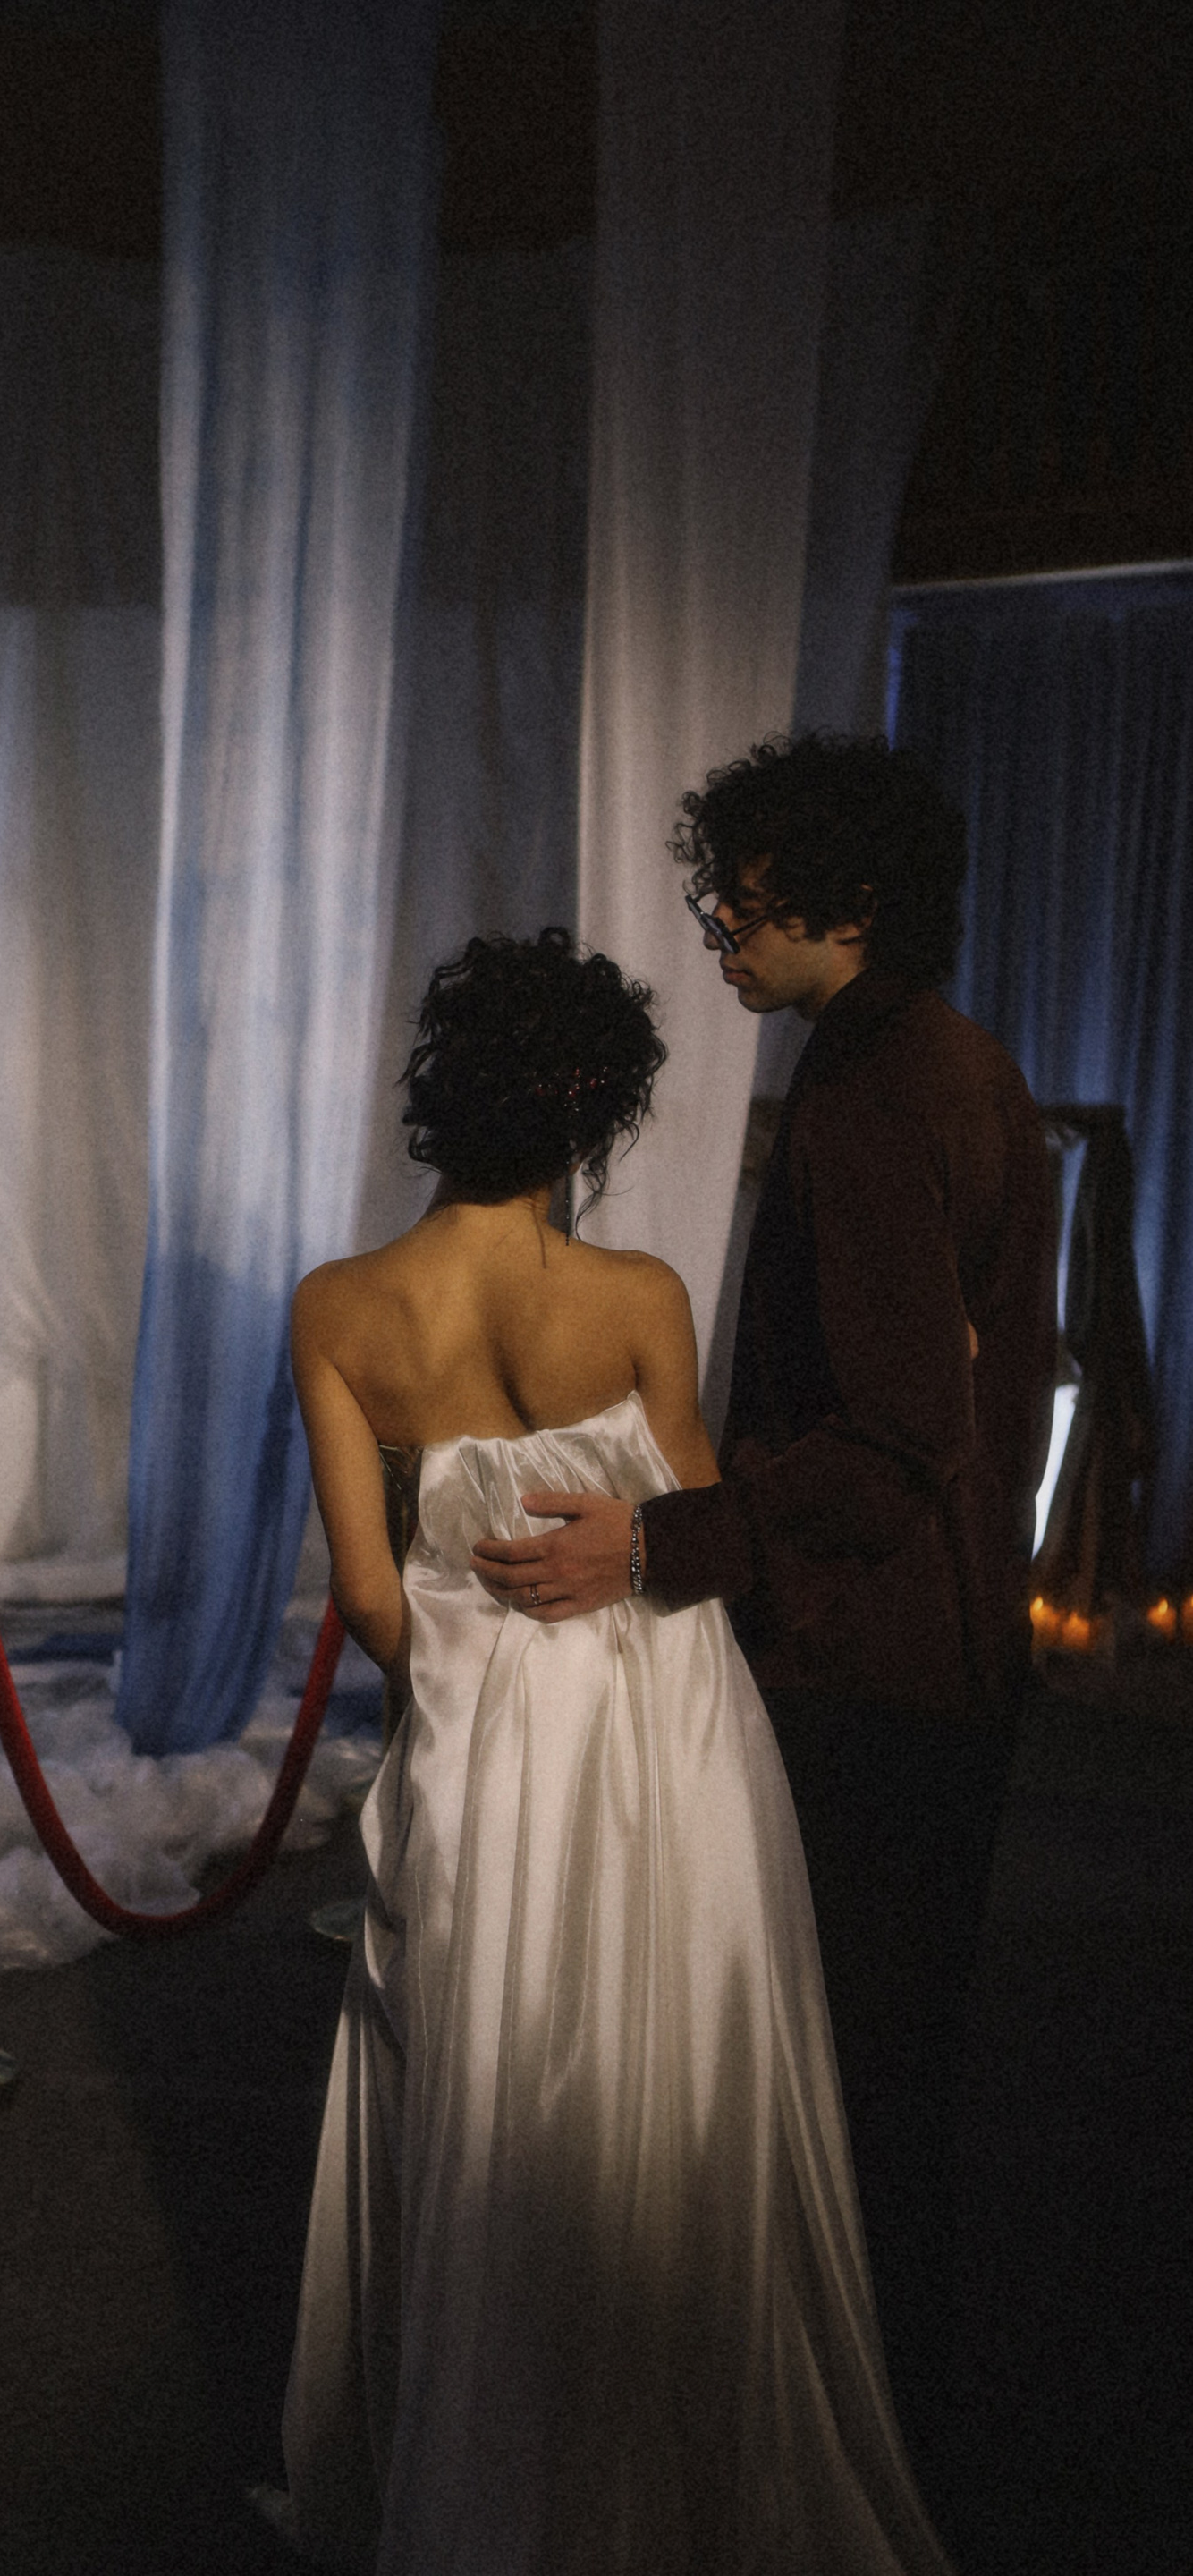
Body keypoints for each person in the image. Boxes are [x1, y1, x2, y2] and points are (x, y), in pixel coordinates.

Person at [276, 928, 954, 2575]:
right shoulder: (640, 1297)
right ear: (592, 1107)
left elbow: (367, 1598)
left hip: (475, 1747)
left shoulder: (341, 1308)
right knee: (676, 2088)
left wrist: (476, 1683)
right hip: (663, 1733)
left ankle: (478, 2479)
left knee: (484, 2089)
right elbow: (702, 1535)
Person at [471, 738, 1059, 2375]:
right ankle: (882, 2418)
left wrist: (653, 1545)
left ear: (852, 902)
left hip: (873, 1658)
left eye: (747, 896)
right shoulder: (960, 1061)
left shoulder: (875, 1096)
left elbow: (900, 1432)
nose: (720, 924)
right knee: (898, 2074)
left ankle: (846, 2435)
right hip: (950, 1643)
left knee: (845, 2076)